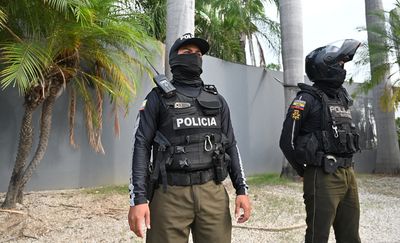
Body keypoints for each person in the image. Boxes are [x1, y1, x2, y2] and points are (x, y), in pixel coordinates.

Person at [128, 33, 251, 243]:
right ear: (174, 58)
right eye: (187, 52)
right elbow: (141, 146)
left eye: (198, 53)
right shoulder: (156, 99)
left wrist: (242, 190)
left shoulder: (217, 100)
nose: (194, 56)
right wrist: (138, 199)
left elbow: (231, 145)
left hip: (212, 192)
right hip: (169, 195)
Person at [279, 39, 362, 243]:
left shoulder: (342, 97)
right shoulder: (306, 99)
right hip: (323, 175)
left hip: (348, 174)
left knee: (351, 236)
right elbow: (286, 141)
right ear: (326, 67)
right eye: (340, 64)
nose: (343, 69)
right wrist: (305, 171)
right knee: (318, 236)